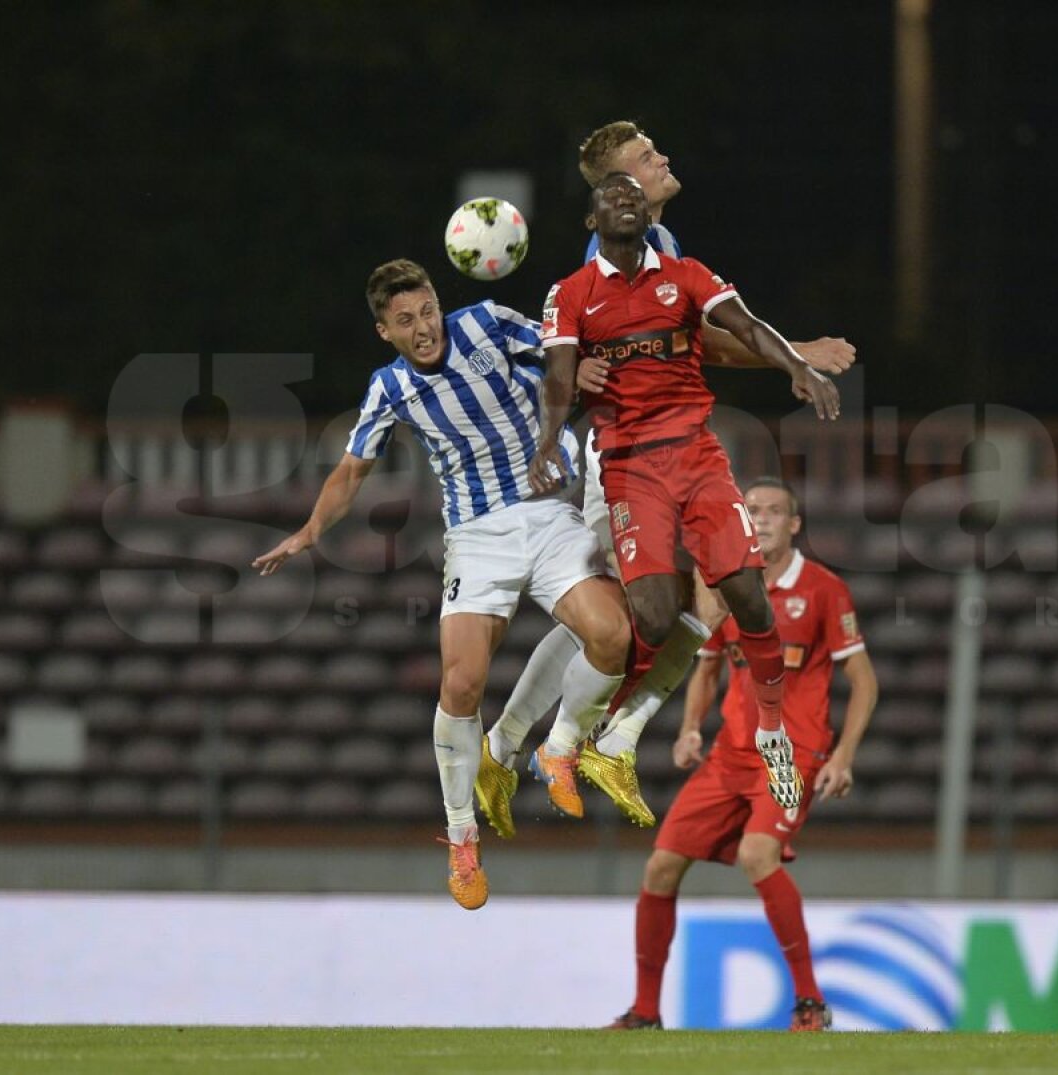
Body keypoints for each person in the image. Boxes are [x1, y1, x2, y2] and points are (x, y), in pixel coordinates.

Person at [476, 121, 855, 836]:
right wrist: (796, 354)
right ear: (611, 191)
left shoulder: (667, 251)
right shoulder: (602, 264)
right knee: (618, 618)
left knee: (697, 604)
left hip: (681, 450)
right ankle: (531, 741)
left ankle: (599, 737)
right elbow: (701, 345)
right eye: (645, 158)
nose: (661, 160)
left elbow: (693, 335)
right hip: (624, 455)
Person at [252, 259, 631, 911]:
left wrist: (584, 367)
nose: (423, 327)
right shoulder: (389, 388)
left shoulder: (487, 323)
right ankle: (461, 836)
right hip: (478, 534)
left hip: (548, 512)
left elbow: (559, 348)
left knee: (613, 635)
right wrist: (311, 530)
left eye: (427, 310)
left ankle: (558, 747)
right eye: (405, 320)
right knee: (461, 683)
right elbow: (351, 471)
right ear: (385, 331)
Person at [606, 477, 878, 1032]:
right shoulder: (726, 586)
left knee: (758, 854)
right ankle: (645, 1011)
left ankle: (810, 1003)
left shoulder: (823, 590)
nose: (762, 518)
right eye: (752, 509)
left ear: (794, 525)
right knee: (660, 866)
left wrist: (842, 756)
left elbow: (865, 681)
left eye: (774, 511)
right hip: (730, 755)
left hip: (791, 756)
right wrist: (689, 729)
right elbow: (707, 667)